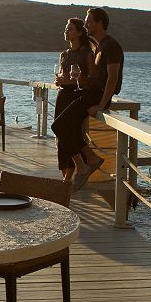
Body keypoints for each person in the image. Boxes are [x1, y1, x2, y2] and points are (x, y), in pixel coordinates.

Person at [50, 7, 124, 192]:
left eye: (89, 21)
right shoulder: (99, 47)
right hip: (90, 94)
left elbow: (112, 78)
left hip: (97, 97)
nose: (86, 24)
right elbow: (94, 79)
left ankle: (87, 162)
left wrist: (100, 104)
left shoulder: (111, 46)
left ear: (100, 23)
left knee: (59, 126)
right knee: (65, 127)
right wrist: (79, 79)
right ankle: (88, 160)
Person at [53, 18, 95, 181]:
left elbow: (91, 80)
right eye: (66, 29)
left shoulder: (86, 53)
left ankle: (73, 172)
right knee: (60, 133)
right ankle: (66, 173)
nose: (66, 31)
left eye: (70, 29)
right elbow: (63, 76)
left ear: (79, 32)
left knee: (71, 132)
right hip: (62, 95)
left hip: (76, 96)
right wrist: (60, 81)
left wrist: (71, 81)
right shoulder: (64, 54)